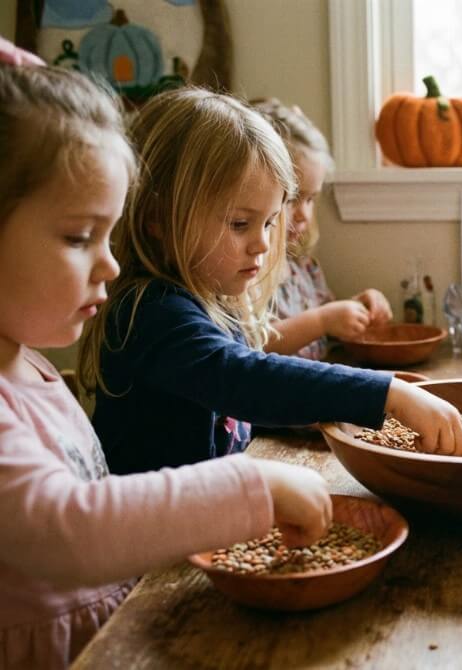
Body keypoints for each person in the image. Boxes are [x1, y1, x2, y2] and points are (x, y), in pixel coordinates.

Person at [0, 64, 333, 668]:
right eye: (78, 237)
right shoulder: (147, 315)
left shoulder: (31, 370)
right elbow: (60, 530)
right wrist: (253, 487)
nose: (109, 264)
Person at [78, 87, 462, 476]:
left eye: (268, 222)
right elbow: (244, 379)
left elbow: (248, 400)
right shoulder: (151, 311)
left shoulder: (214, 301)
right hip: (154, 516)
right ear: (159, 219)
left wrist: (334, 402)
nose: (263, 244)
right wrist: (386, 393)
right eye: (239, 224)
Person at [250, 98, 392, 360]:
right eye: (293, 198)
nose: (304, 214)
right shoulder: (247, 274)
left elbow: (329, 326)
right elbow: (251, 345)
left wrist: (356, 311)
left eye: (311, 199)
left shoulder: (303, 268)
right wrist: (321, 321)